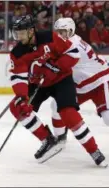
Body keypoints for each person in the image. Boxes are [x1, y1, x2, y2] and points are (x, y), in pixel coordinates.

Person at [8, 15, 106, 167]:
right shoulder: (17, 52)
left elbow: (73, 53)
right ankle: (48, 139)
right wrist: (21, 96)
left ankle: (94, 150)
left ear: (31, 31)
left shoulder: (49, 37)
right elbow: (18, 77)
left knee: (68, 113)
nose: (18, 36)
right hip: (38, 83)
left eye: (21, 32)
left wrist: (57, 67)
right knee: (17, 107)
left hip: (61, 79)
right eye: (17, 33)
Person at [50, 17, 108, 166]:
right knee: (57, 105)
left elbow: (60, 65)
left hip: (100, 80)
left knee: (107, 117)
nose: (61, 35)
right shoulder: (66, 42)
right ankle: (60, 138)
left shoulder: (73, 45)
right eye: (59, 32)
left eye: (64, 32)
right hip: (82, 85)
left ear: (71, 31)